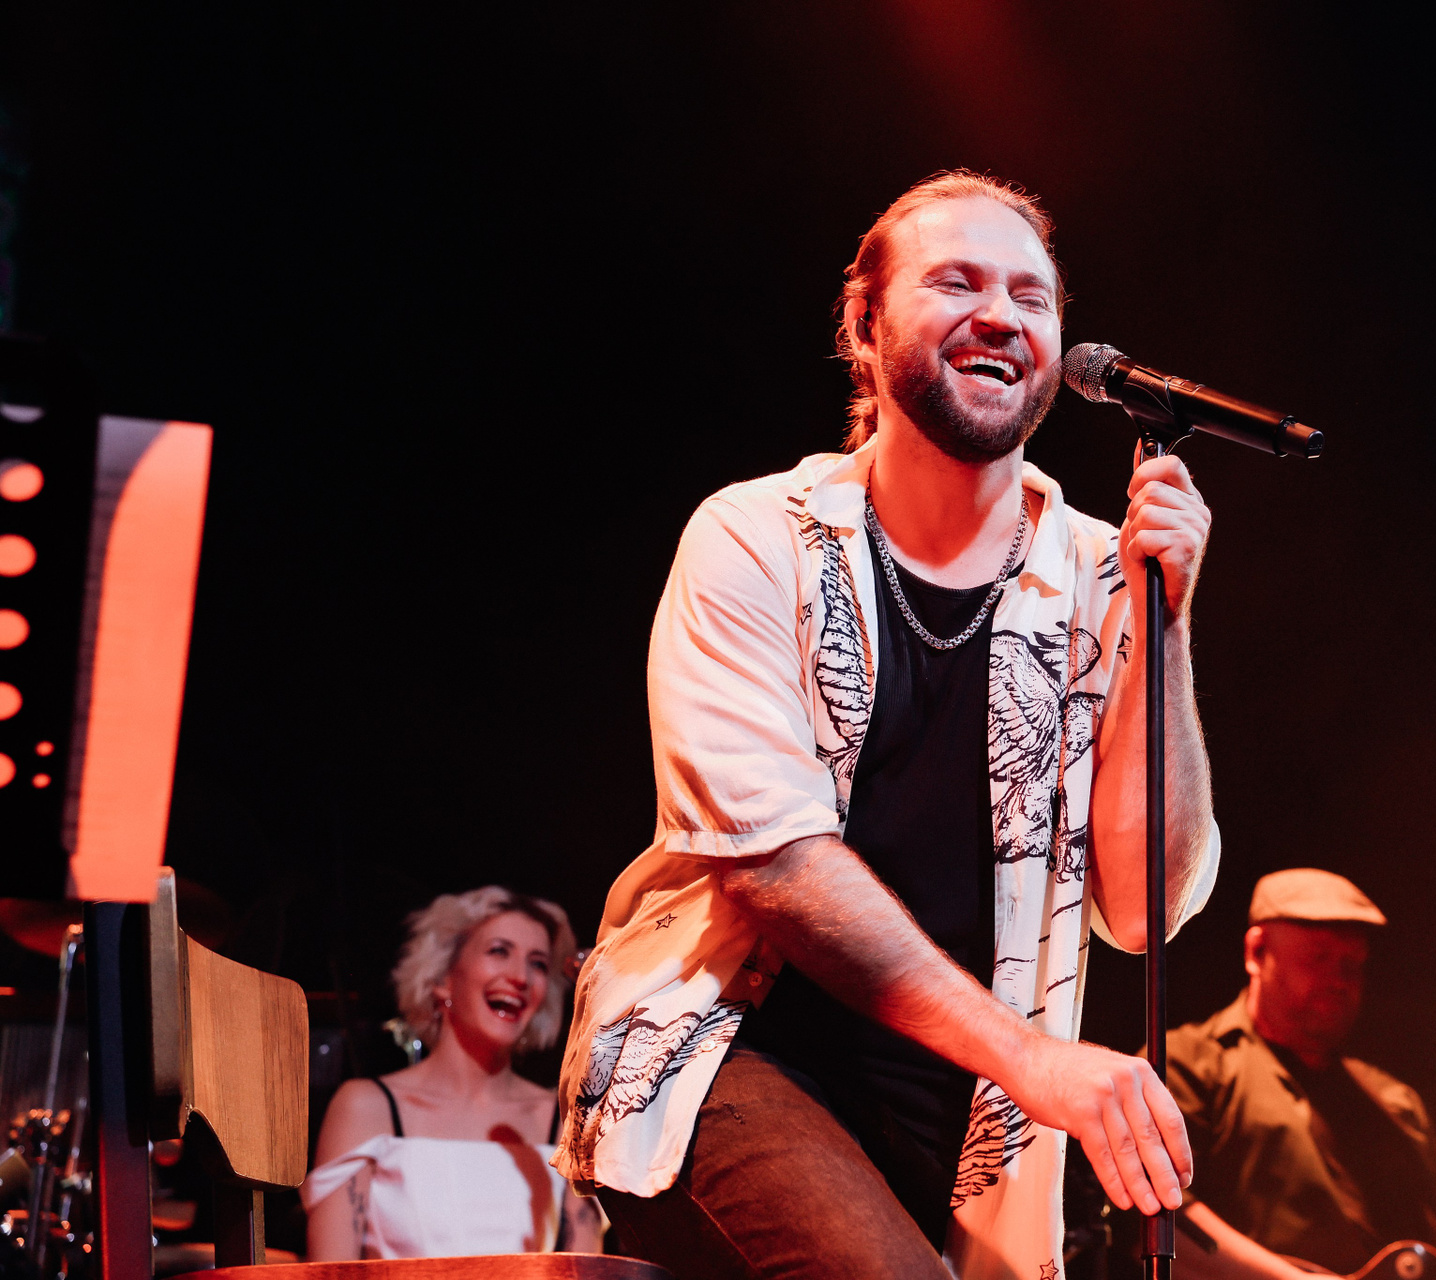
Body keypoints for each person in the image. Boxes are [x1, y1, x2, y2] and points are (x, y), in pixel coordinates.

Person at [552, 170, 1222, 1280]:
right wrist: (1035, 1061)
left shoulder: (1101, 574)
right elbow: (777, 867)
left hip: (968, 1119)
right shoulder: (755, 537)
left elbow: (1145, 907)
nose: (1000, 314)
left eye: (1032, 297)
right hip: (721, 1057)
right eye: (956, 282)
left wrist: (1168, 625)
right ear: (863, 326)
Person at [1161, 869, 1436, 1280]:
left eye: (1352, 963)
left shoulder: (1394, 1100)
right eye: (1319, 957)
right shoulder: (1187, 1065)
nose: (1339, 980)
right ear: (1257, 952)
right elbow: (1156, 1217)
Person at [305, 887, 606, 1260]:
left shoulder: (567, 1120)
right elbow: (330, 1269)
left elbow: (589, 1267)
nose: (521, 977)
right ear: (442, 977)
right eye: (499, 951)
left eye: (538, 964)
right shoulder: (366, 1106)